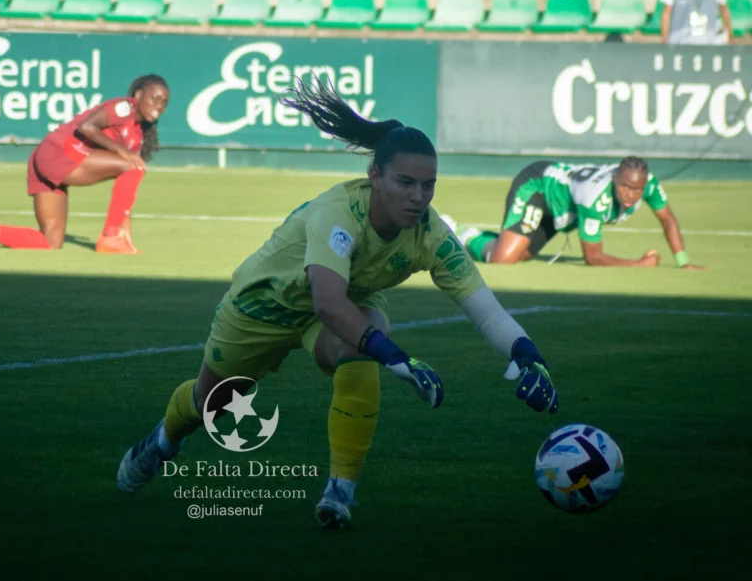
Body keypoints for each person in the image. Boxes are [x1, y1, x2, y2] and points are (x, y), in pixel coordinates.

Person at [115, 79, 559, 530]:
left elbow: (483, 307)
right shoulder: (340, 212)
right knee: (215, 403)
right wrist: (398, 357)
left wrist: (528, 356)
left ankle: (339, 492)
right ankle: (163, 440)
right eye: (405, 183)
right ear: (375, 176)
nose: (418, 197)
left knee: (360, 348)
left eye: (428, 186)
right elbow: (326, 301)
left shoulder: (431, 233)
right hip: (266, 304)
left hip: (352, 299)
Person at [0, 75, 168, 254]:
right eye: (154, 98)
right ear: (138, 95)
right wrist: (122, 151)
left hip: (43, 159)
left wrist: (125, 233)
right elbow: (87, 127)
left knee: (50, 241)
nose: (159, 106)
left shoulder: (138, 135)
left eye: (164, 103)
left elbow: (126, 192)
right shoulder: (124, 108)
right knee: (135, 166)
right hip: (59, 155)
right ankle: (109, 237)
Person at [445, 158, 704, 269]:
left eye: (637, 189)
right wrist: (638, 264)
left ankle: (477, 236)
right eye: (625, 186)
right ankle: (458, 232)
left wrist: (682, 260)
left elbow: (667, 219)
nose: (630, 195)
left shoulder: (650, 185)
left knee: (521, 255)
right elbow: (592, 257)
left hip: (563, 211)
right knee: (503, 259)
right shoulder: (595, 198)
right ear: (615, 178)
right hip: (538, 187)